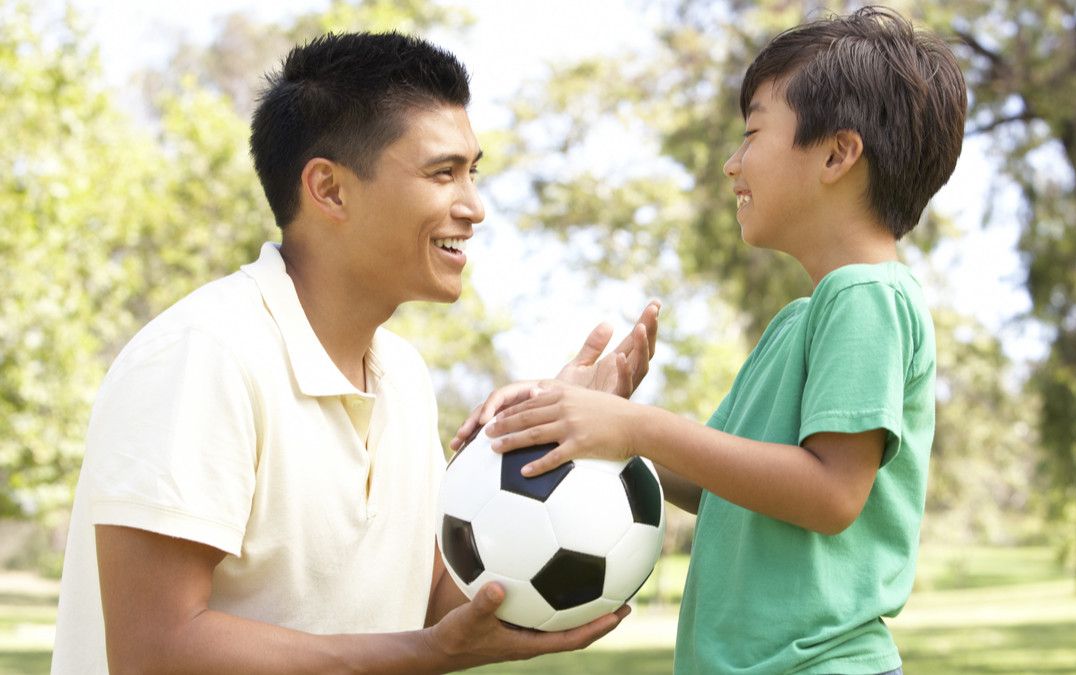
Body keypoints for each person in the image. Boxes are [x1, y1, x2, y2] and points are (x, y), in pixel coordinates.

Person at [51, 31, 660, 673]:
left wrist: (552, 450)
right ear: (330, 190)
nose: (474, 207)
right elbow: (154, 647)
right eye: (442, 173)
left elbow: (429, 602)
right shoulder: (202, 356)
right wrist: (427, 655)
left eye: (472, 172)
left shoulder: (403, 376)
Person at [471, 7, 966, 674]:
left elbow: (829, 494)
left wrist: (637, 424)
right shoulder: (802, 319)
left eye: (753, 133)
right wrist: (596, 426)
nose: (733, 165)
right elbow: (719, 487)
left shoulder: (867, 297)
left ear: (837, 153)